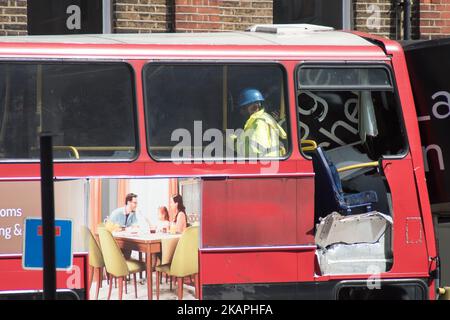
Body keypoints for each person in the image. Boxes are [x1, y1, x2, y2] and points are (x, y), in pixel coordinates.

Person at [234, 88, 287, 157]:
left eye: (242, 108)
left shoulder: (260, 123)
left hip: (265, 163)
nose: (240, 112)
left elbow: (253, 151)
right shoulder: (263, 118)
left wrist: (234, 142)